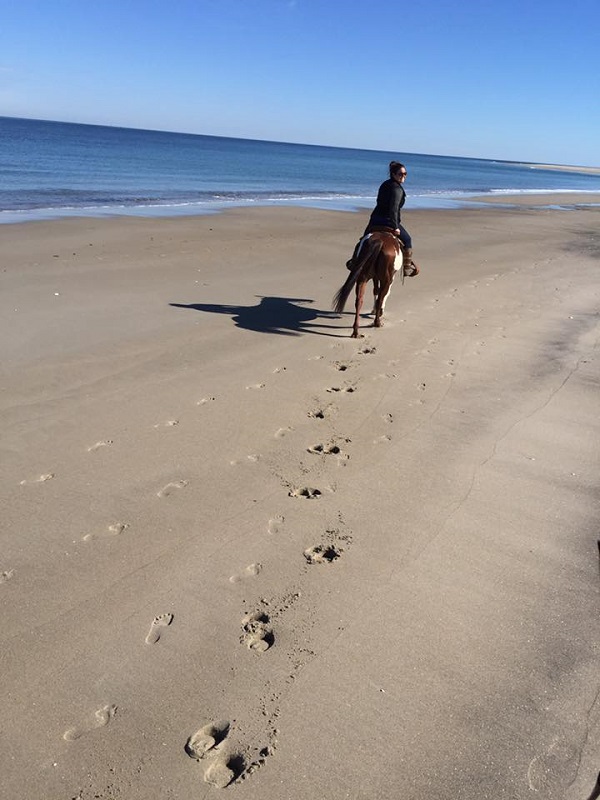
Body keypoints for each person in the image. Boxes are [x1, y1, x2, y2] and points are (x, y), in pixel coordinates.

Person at [346, 161, 419, 276]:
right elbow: (393, 209)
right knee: (408, 240)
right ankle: (407, 267)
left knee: (364, 239)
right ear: (393, 174)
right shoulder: (398, 189)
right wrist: (395, 227)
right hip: (389, 221)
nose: (403, 176)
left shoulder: (384, 184)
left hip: (375, 219)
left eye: (405, 174)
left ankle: (355, 261)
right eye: (400, 174)